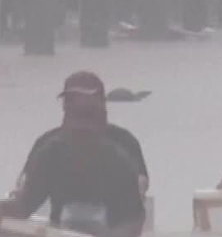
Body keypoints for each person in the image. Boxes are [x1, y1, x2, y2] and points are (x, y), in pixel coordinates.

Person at [0, 72, 148, 237]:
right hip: (60, 235)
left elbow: (134, 221)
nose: (82, 132)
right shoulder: (49, 152)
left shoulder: (121, 155)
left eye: (87, 114)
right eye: (71, 102)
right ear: (65, 119)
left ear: (101, 114)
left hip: (112, 233)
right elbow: (24, 205)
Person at [15, 71, 148, 197]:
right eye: (70, 100)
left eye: (84, 100)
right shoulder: (46, 143)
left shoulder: (125, 141)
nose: (75, 105)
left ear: (101, 102)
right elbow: (23, 185)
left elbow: (141, 183)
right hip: (54, 220)